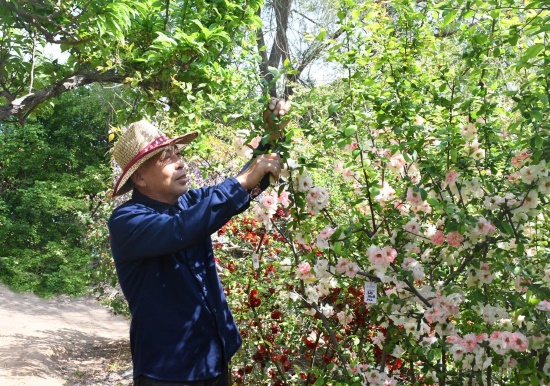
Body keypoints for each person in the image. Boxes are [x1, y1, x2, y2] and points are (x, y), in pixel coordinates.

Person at [108, 100, 288, 386]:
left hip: (213, 360)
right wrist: (240, 183)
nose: (180, 162)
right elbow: (179, 229)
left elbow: (241, 188)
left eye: (177, 153)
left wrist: (271, 133)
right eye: (165, 157)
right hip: (167, 373)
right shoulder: (126, 220)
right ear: (139, 177)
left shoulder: (188, 203)